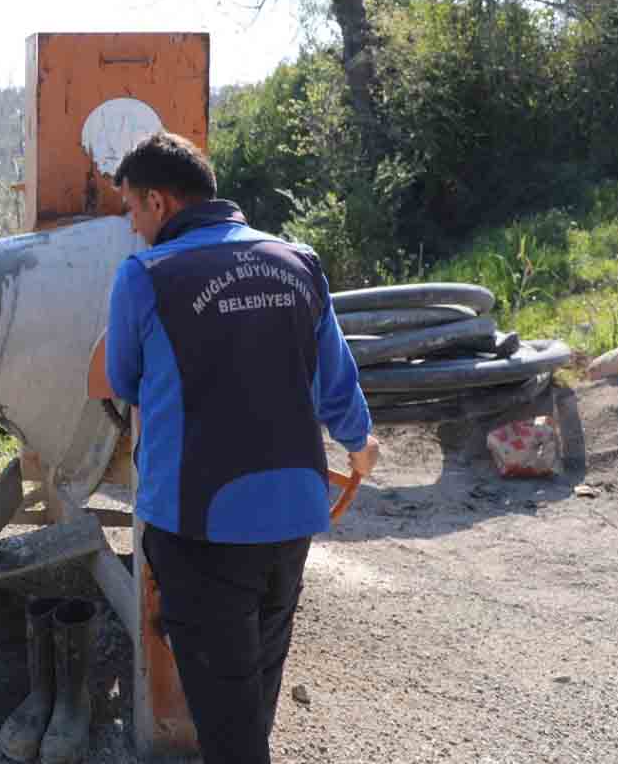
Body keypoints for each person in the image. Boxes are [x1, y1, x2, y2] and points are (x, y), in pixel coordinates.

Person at [104, 132, 379, 764]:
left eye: (131, 211)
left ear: (158, 202)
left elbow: (123, 380)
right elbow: (334, 382)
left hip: (201, 527)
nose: (132, 226)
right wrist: (361, 446)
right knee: (255, 689)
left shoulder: (146, 275)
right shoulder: (297, 262)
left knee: (227, 722)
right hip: (291, 518)